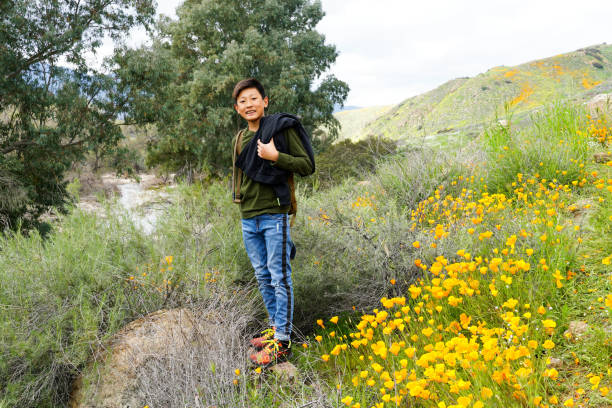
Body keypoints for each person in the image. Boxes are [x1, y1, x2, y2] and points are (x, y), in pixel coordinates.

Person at [231, 78, 315, 366]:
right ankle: (274, 330)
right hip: (248, 217)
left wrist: (276, 156)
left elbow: (307, 165)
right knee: (263, 276)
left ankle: (283, 343)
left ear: (265, 101)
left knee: (280, 277)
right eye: (243, 101)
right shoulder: (240, 138)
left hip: (274, 214)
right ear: (237, 108)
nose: (249, 104)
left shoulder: (280, 129)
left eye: (254, 98)